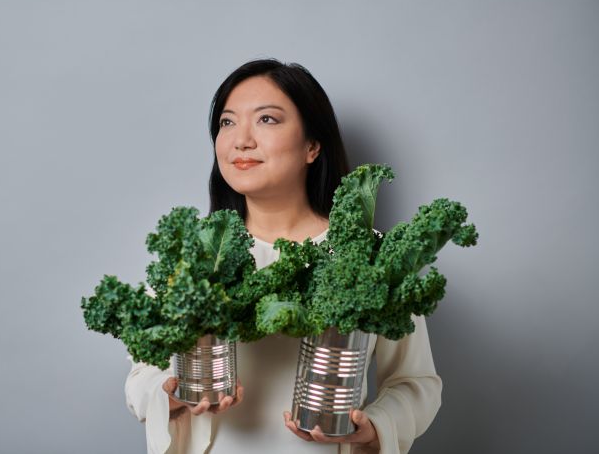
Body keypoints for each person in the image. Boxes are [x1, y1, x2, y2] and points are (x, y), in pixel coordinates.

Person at [125, 58, 442, 454]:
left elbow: (416, 384)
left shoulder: (375, 256)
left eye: (267, 120)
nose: (241, 140)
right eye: (227, 122)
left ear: (312, 145)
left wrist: (372, 427)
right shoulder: (194, 254)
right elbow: (141, 377)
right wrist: (171, 395)